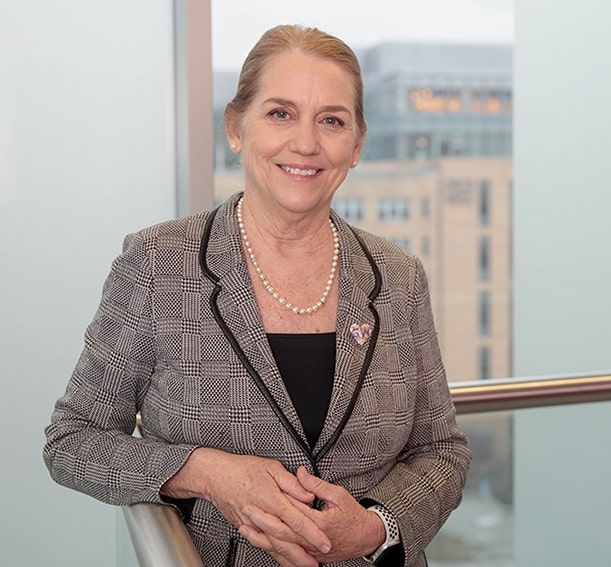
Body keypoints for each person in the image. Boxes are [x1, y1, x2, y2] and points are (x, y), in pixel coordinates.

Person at [43, 24, 470, 567]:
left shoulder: (398, 276)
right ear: (235, 127)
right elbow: (72, 442)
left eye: (332, 121)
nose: (306, 143)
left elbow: (441, 452)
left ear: (356, 145)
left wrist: (374, 527)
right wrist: (201, 469)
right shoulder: (158, 264)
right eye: (280, 113)